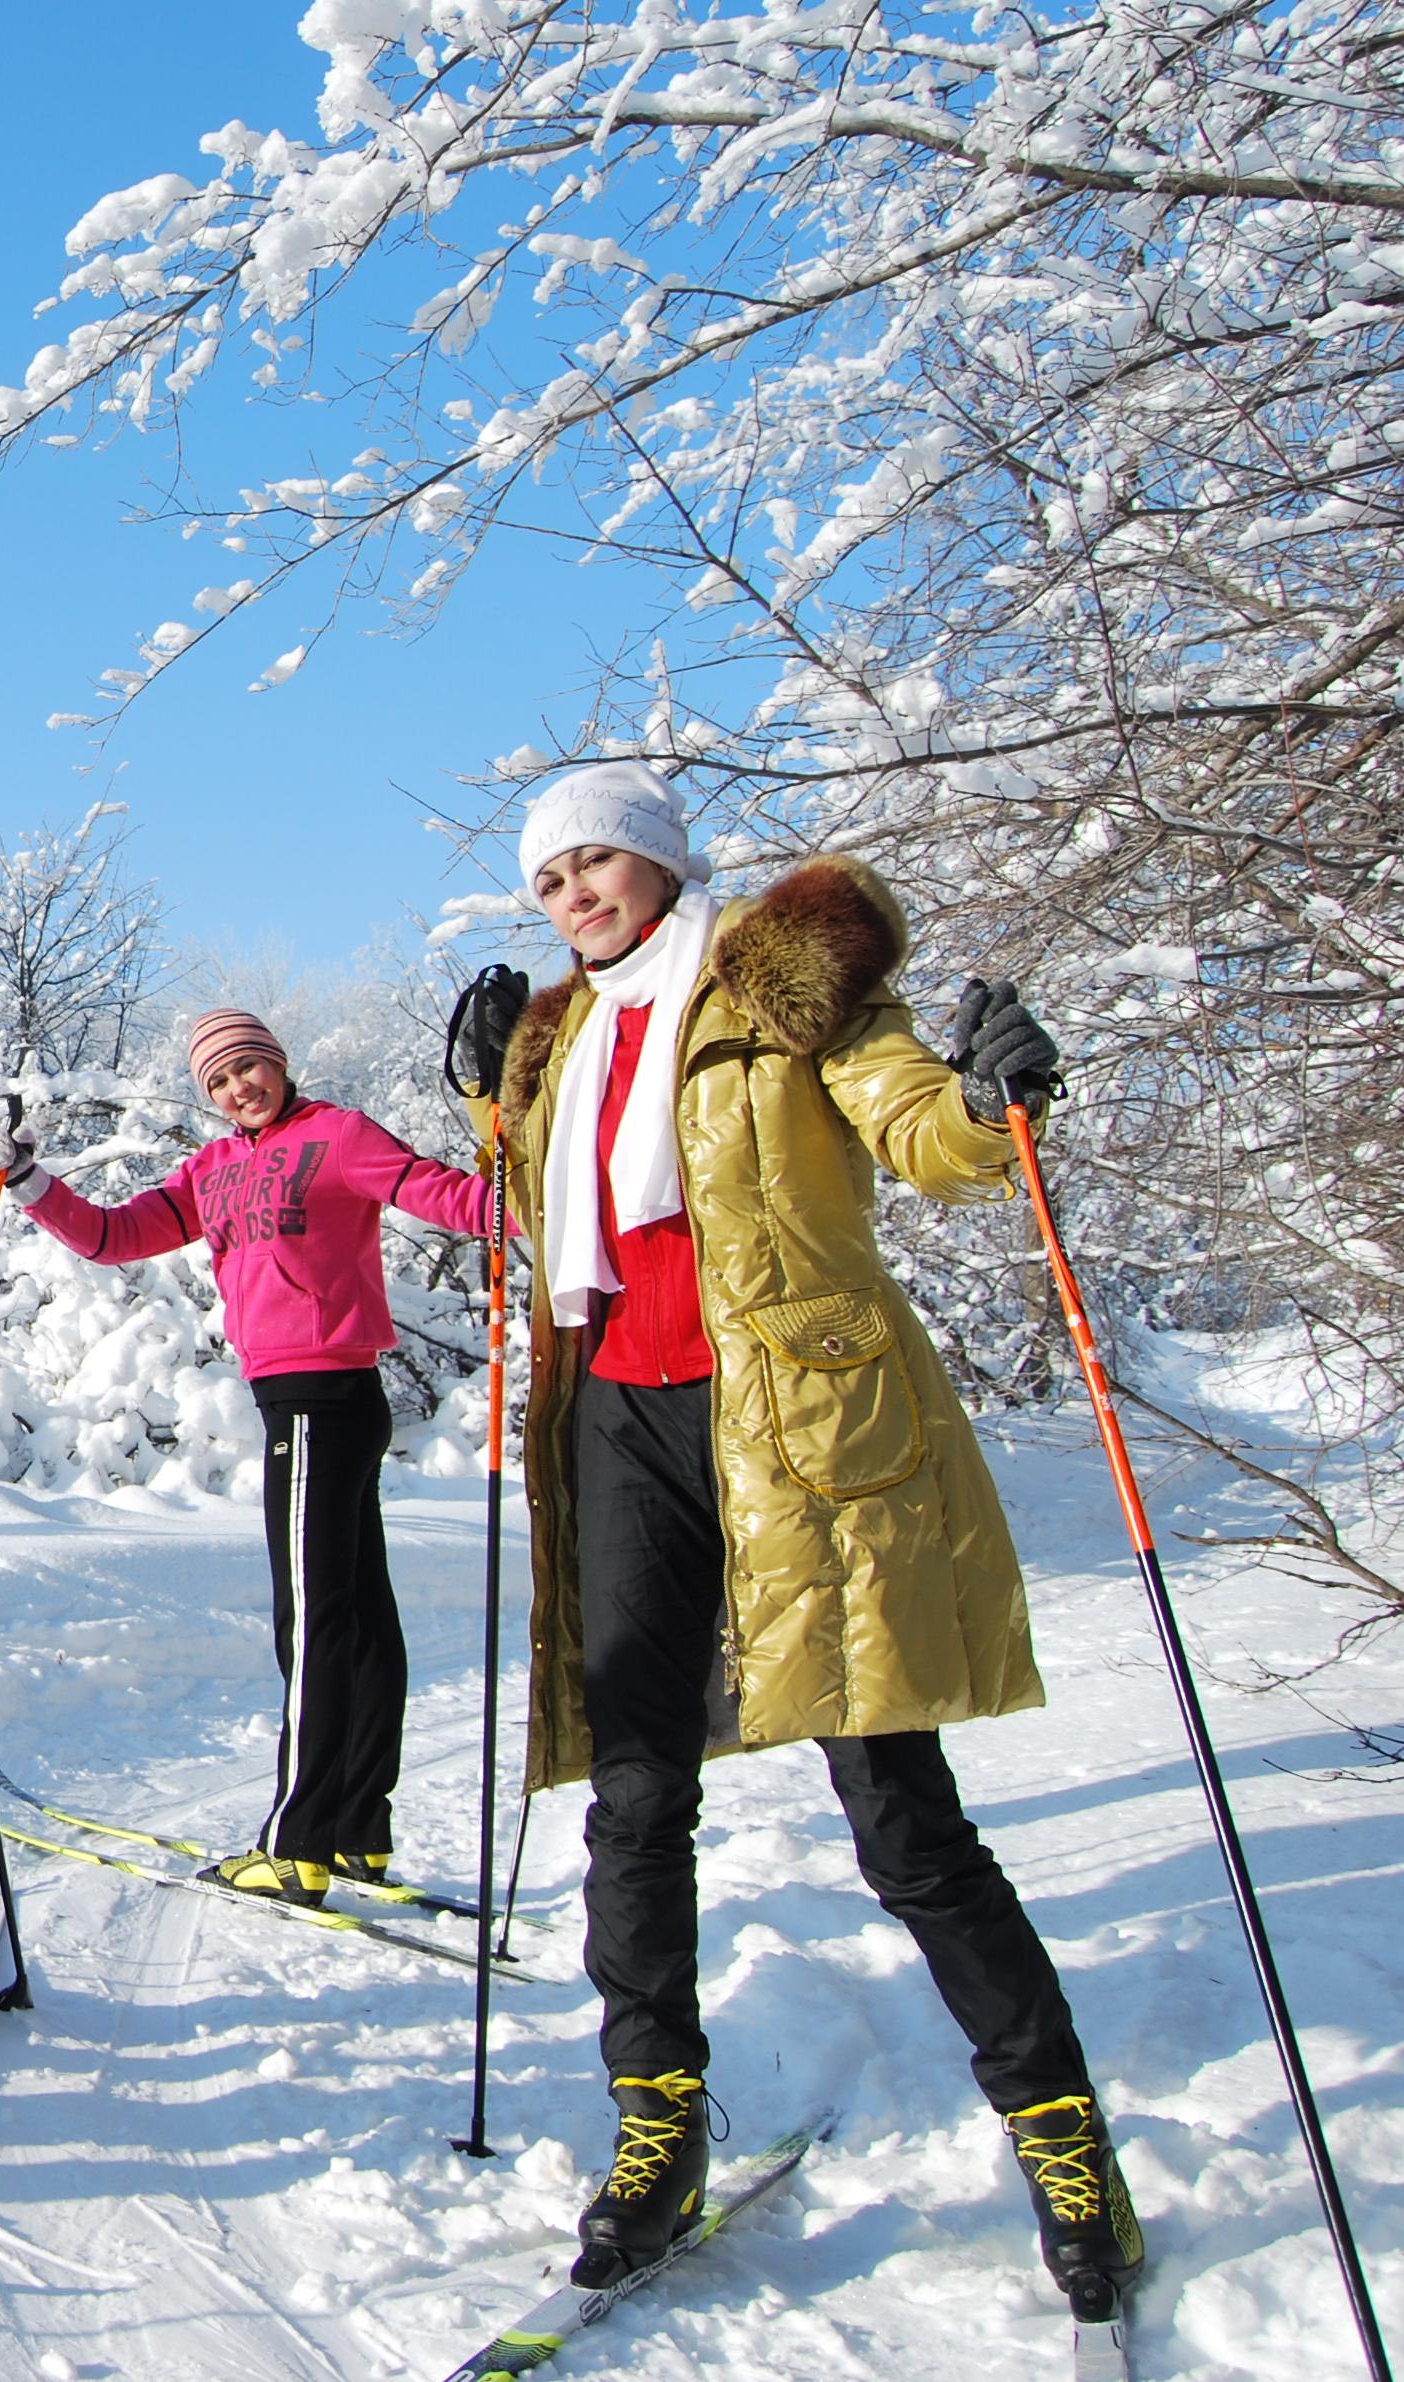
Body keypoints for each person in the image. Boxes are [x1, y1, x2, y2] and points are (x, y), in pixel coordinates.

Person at [456, 761, 1137, 2317]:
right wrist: (493, 1098)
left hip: (795, 1421)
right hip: (619, 1425)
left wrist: (990, 1098)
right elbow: (548, 1209)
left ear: (660, 860)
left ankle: (1063, 2137)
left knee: (899, 1809)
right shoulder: (563, 1035)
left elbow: (918, 1126)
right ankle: (655, 2124)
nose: (573, 897)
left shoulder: (782, 986)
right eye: (549, 880)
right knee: (634, 1800)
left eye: (597, 864)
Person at [0, 1009, 498, 1902]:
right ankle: (360, 1827)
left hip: (327, 1396)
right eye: (218, 1081)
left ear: (278, 1065)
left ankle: (300, 1841)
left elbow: (453, 1199)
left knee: (313, 1617)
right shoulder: (214, 1168)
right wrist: (27, 1180)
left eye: (248, 1068)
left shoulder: (337, 1136)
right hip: (297, 1403)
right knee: (358, 1612)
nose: (236, 1088)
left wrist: (513, 1148)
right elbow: (114, 1236)